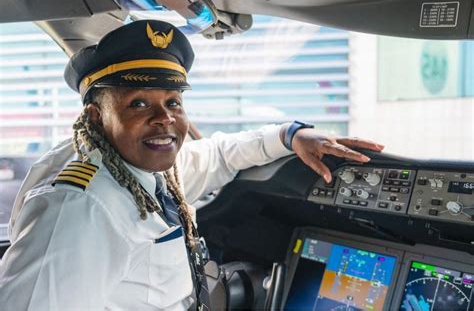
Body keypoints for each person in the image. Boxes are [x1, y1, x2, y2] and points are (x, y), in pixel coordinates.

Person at [0, 20, 384, 311]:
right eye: (138, 103)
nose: (164, 118)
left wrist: (289, 135)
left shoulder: (144, 165)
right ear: (97, 116)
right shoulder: (80, 208)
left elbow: (219, 155)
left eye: (173, 102)